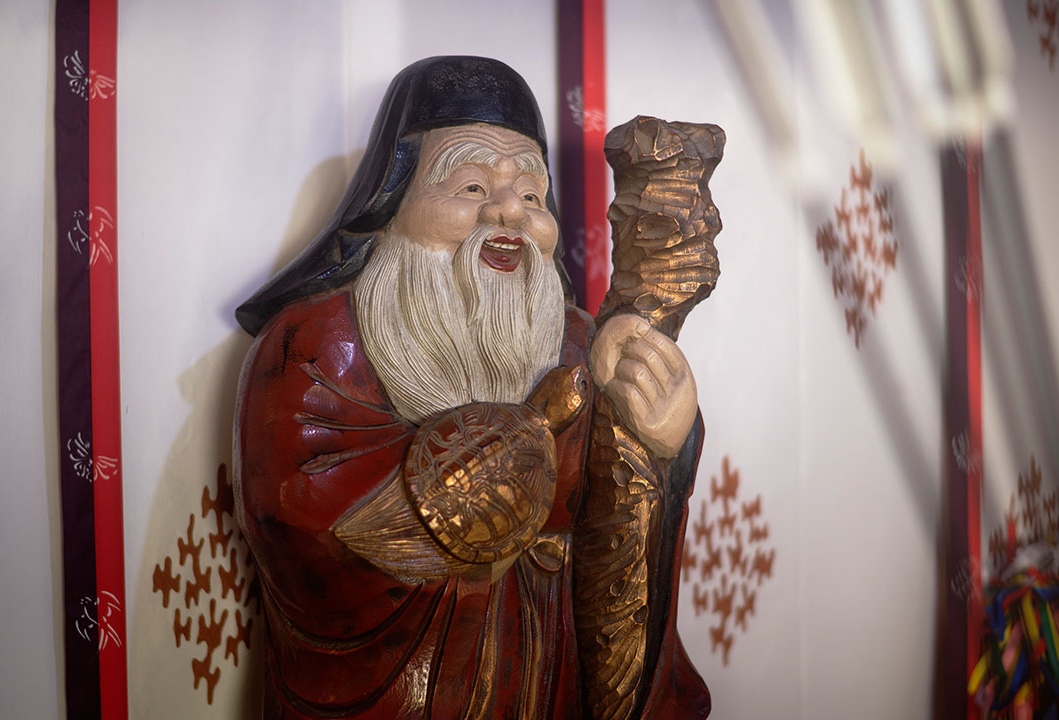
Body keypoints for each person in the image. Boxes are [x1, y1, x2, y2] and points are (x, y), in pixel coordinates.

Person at [234, 55, 709, 719]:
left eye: (532, 196)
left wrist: (660, 442)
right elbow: (306, 533)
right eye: (472, 187)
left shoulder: (578, 346)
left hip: (550, 682)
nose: (510, 212)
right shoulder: (316, 343)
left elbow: (612, 520)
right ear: (393, 201)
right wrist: (517, 445)